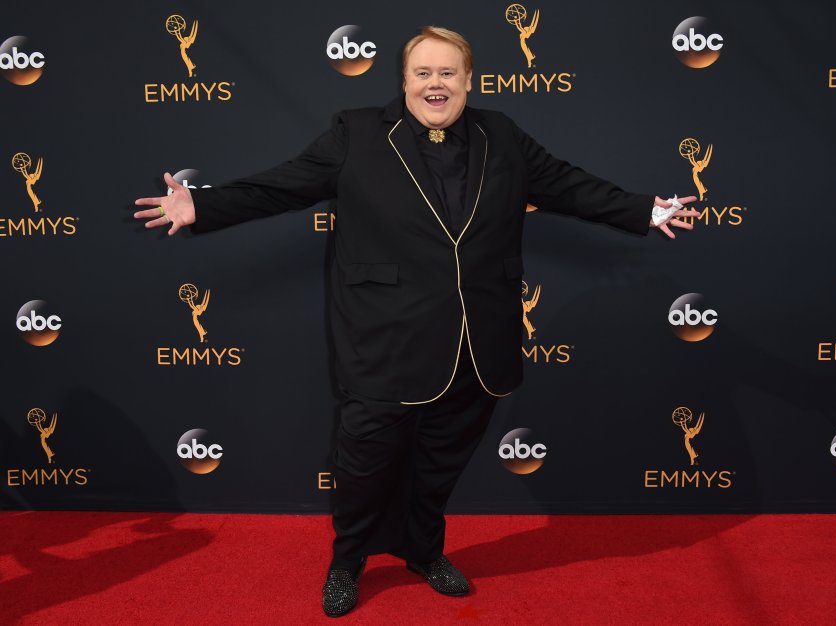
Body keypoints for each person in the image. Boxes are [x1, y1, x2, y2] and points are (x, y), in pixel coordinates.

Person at [135, 26, 698, 617]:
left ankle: (424, 550)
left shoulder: (500, 133)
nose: (436, 84)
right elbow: (282, 186)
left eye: (448, 73)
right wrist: (203, 204)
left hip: (479, 340)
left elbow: (565, 184)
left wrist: (643, 210)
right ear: (403, 81)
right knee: (364, 464)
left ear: (468, 81)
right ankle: (348, 560)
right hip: (387, 338)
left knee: (441, 460)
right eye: (423, 73)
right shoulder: (357, 132)